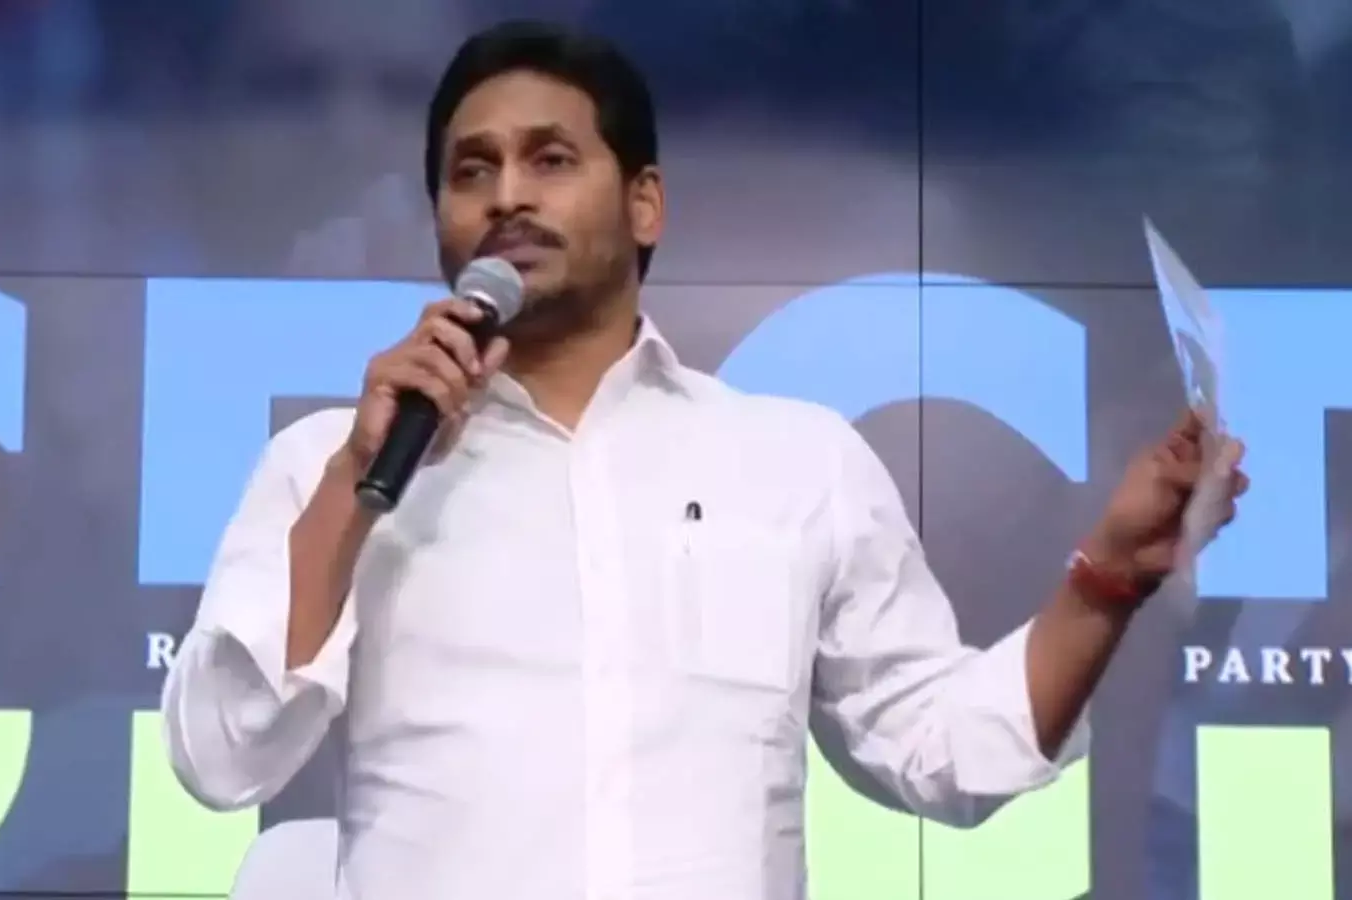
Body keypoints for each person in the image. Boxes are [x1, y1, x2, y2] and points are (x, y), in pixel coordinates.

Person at [160, 19, 1249, 899]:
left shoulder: (795, 462)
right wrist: (357, 487)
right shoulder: (333, 462)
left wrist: (1110, 577)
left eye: (551, 159)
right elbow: (222, 757)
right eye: (470, 171)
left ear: (645, 203)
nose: (506, 197)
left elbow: (945, 750)